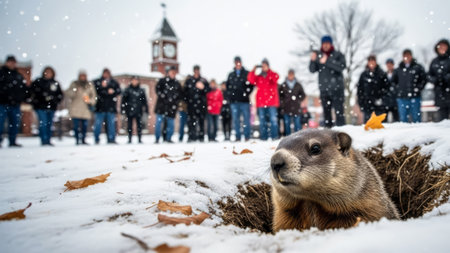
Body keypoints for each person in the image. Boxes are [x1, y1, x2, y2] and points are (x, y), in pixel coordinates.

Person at [309, 35, 346, 127]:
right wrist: (313, 60)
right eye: (324, 43)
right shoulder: (319, 56)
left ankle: (342, 132)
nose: (325, 45)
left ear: (331, 44)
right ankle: (328, 134)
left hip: (337, 89)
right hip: (324, 89)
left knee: (339, 112)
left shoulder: (338, 55)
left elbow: (341, 67)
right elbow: (312, 70)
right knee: (326, 113)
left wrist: (327, 61)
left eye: (327, 43)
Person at [29, 66, 64, 146]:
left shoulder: (55, 83)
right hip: (40, 106)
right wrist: (39, 99)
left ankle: (48, 140)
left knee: (49, 124)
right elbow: (31, 92)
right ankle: (43, 140)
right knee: (43, 123)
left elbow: (60, 95)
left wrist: (55, 100)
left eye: (50, 72)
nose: (48, 74)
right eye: (47, 72)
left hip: (52, 107)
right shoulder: (38, 82)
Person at [247, 58, 280, 140]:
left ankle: (274, 136)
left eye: (265, 65)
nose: (263, 67)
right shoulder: (258, 77)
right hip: (261, 102)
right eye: (262, 66)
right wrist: (253, 70)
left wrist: (269, 71)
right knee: (262, 121)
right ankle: (264, 137)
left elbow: (276, 77)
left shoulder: (272, 75)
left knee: (273, 120)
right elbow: (250, 79)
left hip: (271, 102)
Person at [392, 49, 427, 123]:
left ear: (411, 56)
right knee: (403, 119)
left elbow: (424, 79)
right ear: (403, 57)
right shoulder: (398, 69)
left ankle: (417, 133)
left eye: (408, 55)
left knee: (416, 118)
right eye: (405, 56)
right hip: (402, 98)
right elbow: (393, 82)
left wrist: (418, 88)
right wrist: (398, 90)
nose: (406, 57)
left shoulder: (418, 67)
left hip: (415, 97)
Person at [0, 55, 27, 147]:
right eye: (10, 62)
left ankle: (12, 141)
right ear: (6, 62)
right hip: (2, 103)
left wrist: (22, 98)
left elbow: (24, 89)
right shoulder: (1, 73)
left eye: (14, 62)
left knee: (14, 123)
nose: (12, 64)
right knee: (0, 123)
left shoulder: (18, 76)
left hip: (15, 104)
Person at [226, 56, 253, 141]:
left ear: (241, 62)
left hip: (244, 101)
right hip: (234, 102)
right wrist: (231, 95)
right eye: (236, 62)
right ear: (234, 63)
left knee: (246, 119)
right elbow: (228, 87)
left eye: (239, 62)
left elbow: (251, 85)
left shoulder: (247, 73)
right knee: (236, 120)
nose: (238, 63)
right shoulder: (231, 74)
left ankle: (247, 136)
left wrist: (246, 93)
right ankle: (237, 136)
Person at [66, 71, 96, 145]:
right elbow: (68, 93)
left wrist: (90, 101)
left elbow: (94, 96)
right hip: (75, 108)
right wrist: (75, 91)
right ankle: (77, 139)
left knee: (84, 126)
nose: (83, 77)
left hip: (85, 108)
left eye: (84, 76)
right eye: (81, 76)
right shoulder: (74, 84)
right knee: (76, 126)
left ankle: (83, 139)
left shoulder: (89, 85)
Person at [356, 55, 389, 122]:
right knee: (368, 126)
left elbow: (387, 89)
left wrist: (382, 100)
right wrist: (361, 103)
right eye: (370, 62)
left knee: (380, 126)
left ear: (375, 62)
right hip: (367, 106)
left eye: (373, 62)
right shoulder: (363, 75)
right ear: (367, 63)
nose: (371, 64)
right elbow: (360, 90)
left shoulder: (381, 74)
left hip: (379, 106)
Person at [154, 66, 182, 143]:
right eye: (171, 72)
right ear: (168, 72)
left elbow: (180, 95)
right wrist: (162, 95)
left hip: (171, 108)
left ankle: (168, 138)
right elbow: (157, 90)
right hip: (161, 107)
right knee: (158, 124)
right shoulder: (162, 81)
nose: (172, 73)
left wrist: (175, 102)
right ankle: (157, 139)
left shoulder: (177, 83)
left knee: (171, 125)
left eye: (174, 72)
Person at [93, 68, 121, 144]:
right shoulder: (97, 82)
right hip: (100, 107)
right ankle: (96, 139)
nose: (106, 75)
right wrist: (103, 87)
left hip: (111, 107)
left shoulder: (114, 82)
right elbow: (94, 91)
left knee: (111, 125)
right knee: (98, 124)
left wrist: (113, 91)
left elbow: (119, 91)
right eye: (105, 73)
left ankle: (111, 139)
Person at [184, 65, 210, 142]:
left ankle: (201, 136)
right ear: (193, 71)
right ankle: (191, 136)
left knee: (201, 121)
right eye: (195, 70)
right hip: (191, 105)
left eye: (197, 70)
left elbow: (208, 90)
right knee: (191, 121)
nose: (196, 71)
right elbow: (185, 92)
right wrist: (188, 100)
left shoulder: (204, 80)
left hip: (201, 104)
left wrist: (203, 88)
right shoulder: (189, 80)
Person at [121, 76, 148, 144]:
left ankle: (139, 139)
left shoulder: (141, 90)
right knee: (129, 125)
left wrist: (146, 109)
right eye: (133, 80)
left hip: (138, 110)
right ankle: (129, 139)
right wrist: (123, 109)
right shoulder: (127, 90)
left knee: (139, 125)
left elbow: (144, 101)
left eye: (136, 80)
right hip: (129, 110)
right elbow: (123, 101)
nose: (135, 82)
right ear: (131, 81)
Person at [278, 69, 306, 135]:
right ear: (287, 75)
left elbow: (303, 95)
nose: (290, 76)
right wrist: (283, 102)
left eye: (292, 74)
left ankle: (298, 137)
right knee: (287, 124)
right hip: (286, 107)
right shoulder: (283, 85)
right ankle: (288, 137)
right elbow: (280, 95)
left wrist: (298, 99)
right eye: (289, 74)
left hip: (296, 108)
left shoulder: (298, 85)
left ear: (294, 75)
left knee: (297, 124)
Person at [428, 39, 450, 120]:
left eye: (444, 46)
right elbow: (429, 75)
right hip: (439, 94)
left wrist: (447, 78)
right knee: (442, 120)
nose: (442, 48)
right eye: (440, 47)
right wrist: (435, 80)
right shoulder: (434, 61)